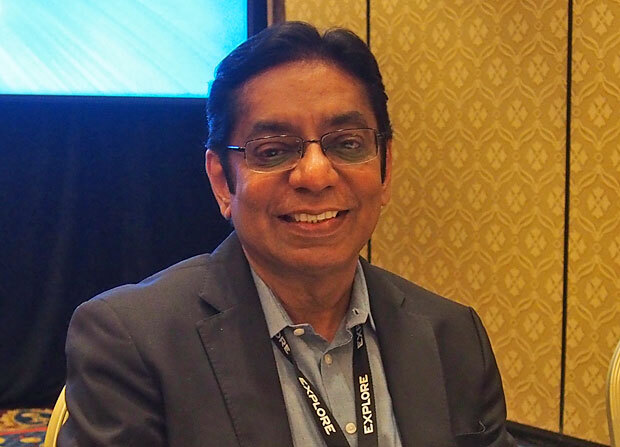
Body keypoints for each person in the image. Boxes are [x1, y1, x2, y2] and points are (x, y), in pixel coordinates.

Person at [59, 21, 516, 447]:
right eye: (273, 150)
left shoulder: (452, 336)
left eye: (347, 144)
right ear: (222, 183)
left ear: (385, 168)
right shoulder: (133, 342)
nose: (315, 175)